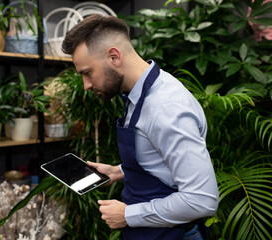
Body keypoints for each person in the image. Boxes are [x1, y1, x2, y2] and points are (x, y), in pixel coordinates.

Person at [61, 15, 219, 240]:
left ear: (114, 56)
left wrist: (128, 215)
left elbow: (201, 200)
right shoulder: (139, 94)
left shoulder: (166, 108)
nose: (86, 85)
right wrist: (121, 170)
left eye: (87, 72)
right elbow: (162, 157)